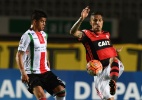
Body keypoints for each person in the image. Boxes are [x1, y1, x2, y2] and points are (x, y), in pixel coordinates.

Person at [70, 6, 124, 100]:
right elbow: (73, 32)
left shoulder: (106, 34)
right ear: (91, 22)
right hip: (99, 72)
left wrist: (114, 50)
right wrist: (81, 18)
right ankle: (112, 84)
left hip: (112, 69)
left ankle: (113, 82)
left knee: (114, 59)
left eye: (100, 20)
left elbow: (105, 48)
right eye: (95, 20)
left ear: (102, 22)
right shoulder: (86, 34)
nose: (97, 22)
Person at [15, 10, 66, 100]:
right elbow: (19, 55)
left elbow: (44, 48)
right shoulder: (27, 35)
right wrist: (23, 72)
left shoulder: (44, 35)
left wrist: (47, 60)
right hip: (32, 73)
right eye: (42, 21)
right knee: (42, 97)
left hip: (45, 71)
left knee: (61, 91)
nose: (44, 24)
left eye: (45, 21)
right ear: (35, 22)